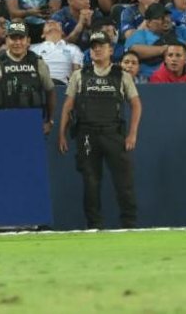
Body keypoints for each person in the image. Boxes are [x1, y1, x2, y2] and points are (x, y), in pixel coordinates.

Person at [58, 31, 141, 229]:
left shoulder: (122, 75)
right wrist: (62, 134)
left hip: (113, 133)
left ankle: (129, 224)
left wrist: (132, 133)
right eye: (93, 46)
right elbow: (68, 106)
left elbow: (136, 104)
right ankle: (94, 225)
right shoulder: (79, 75)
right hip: (87, 134)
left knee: (124, 182)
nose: (96, 50)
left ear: (110, 50)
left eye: (101, 46)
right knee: (91, 182)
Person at [0, 21, 56, 134]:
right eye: (13, 38)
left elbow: (50, 91)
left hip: (32, 123)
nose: (17, 42)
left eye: (21, 38)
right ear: (6, 40)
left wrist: (50, 120)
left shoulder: (38, 62)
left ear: (28, 41)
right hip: (2, 122)